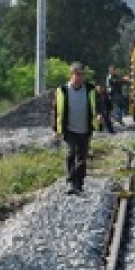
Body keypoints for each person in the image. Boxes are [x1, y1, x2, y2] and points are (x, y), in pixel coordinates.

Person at [53, 62, 103, 195]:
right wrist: (56, 130)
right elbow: (57, 110)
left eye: (82, 75)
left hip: (85, 129)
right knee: (71, 153)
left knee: (82, 157)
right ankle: (70, 182)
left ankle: (79, 183)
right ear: (71, 75)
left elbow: (99, 105)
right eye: (77, 74)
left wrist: (99, 114)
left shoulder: (90, 89)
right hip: (69, 129)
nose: (80, 77)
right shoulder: (62, 90)